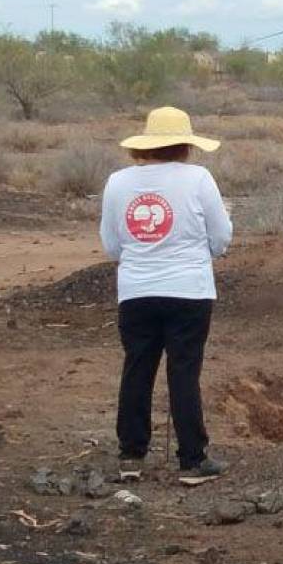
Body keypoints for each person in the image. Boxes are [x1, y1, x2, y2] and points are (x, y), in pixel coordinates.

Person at [100, 106, 233, 484]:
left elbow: (112, 245)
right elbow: (221, 238)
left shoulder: (118, 182)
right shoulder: (199, 178)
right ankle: (192, 459)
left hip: (137, 290)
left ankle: (131, 455)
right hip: (189, 291)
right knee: (184, 370)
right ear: (185, 145)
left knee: (138, 367)